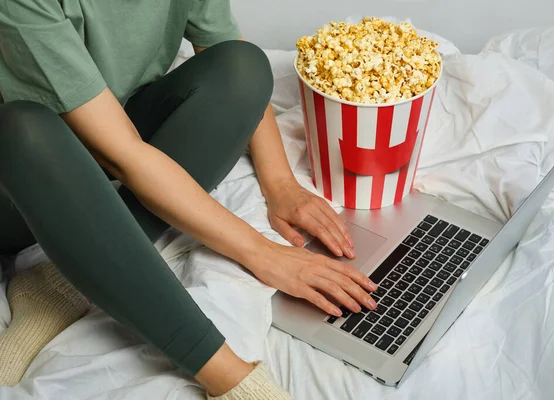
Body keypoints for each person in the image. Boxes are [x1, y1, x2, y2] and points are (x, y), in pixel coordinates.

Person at [0, 0, 379, 398]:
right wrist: (260, 251)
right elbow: (124, 156)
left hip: (108, 132)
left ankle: (62, 280)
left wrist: (281, 183)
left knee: (242, 66)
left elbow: (225, 48)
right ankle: (229, 377)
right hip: (22, 181)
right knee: (24, 128)